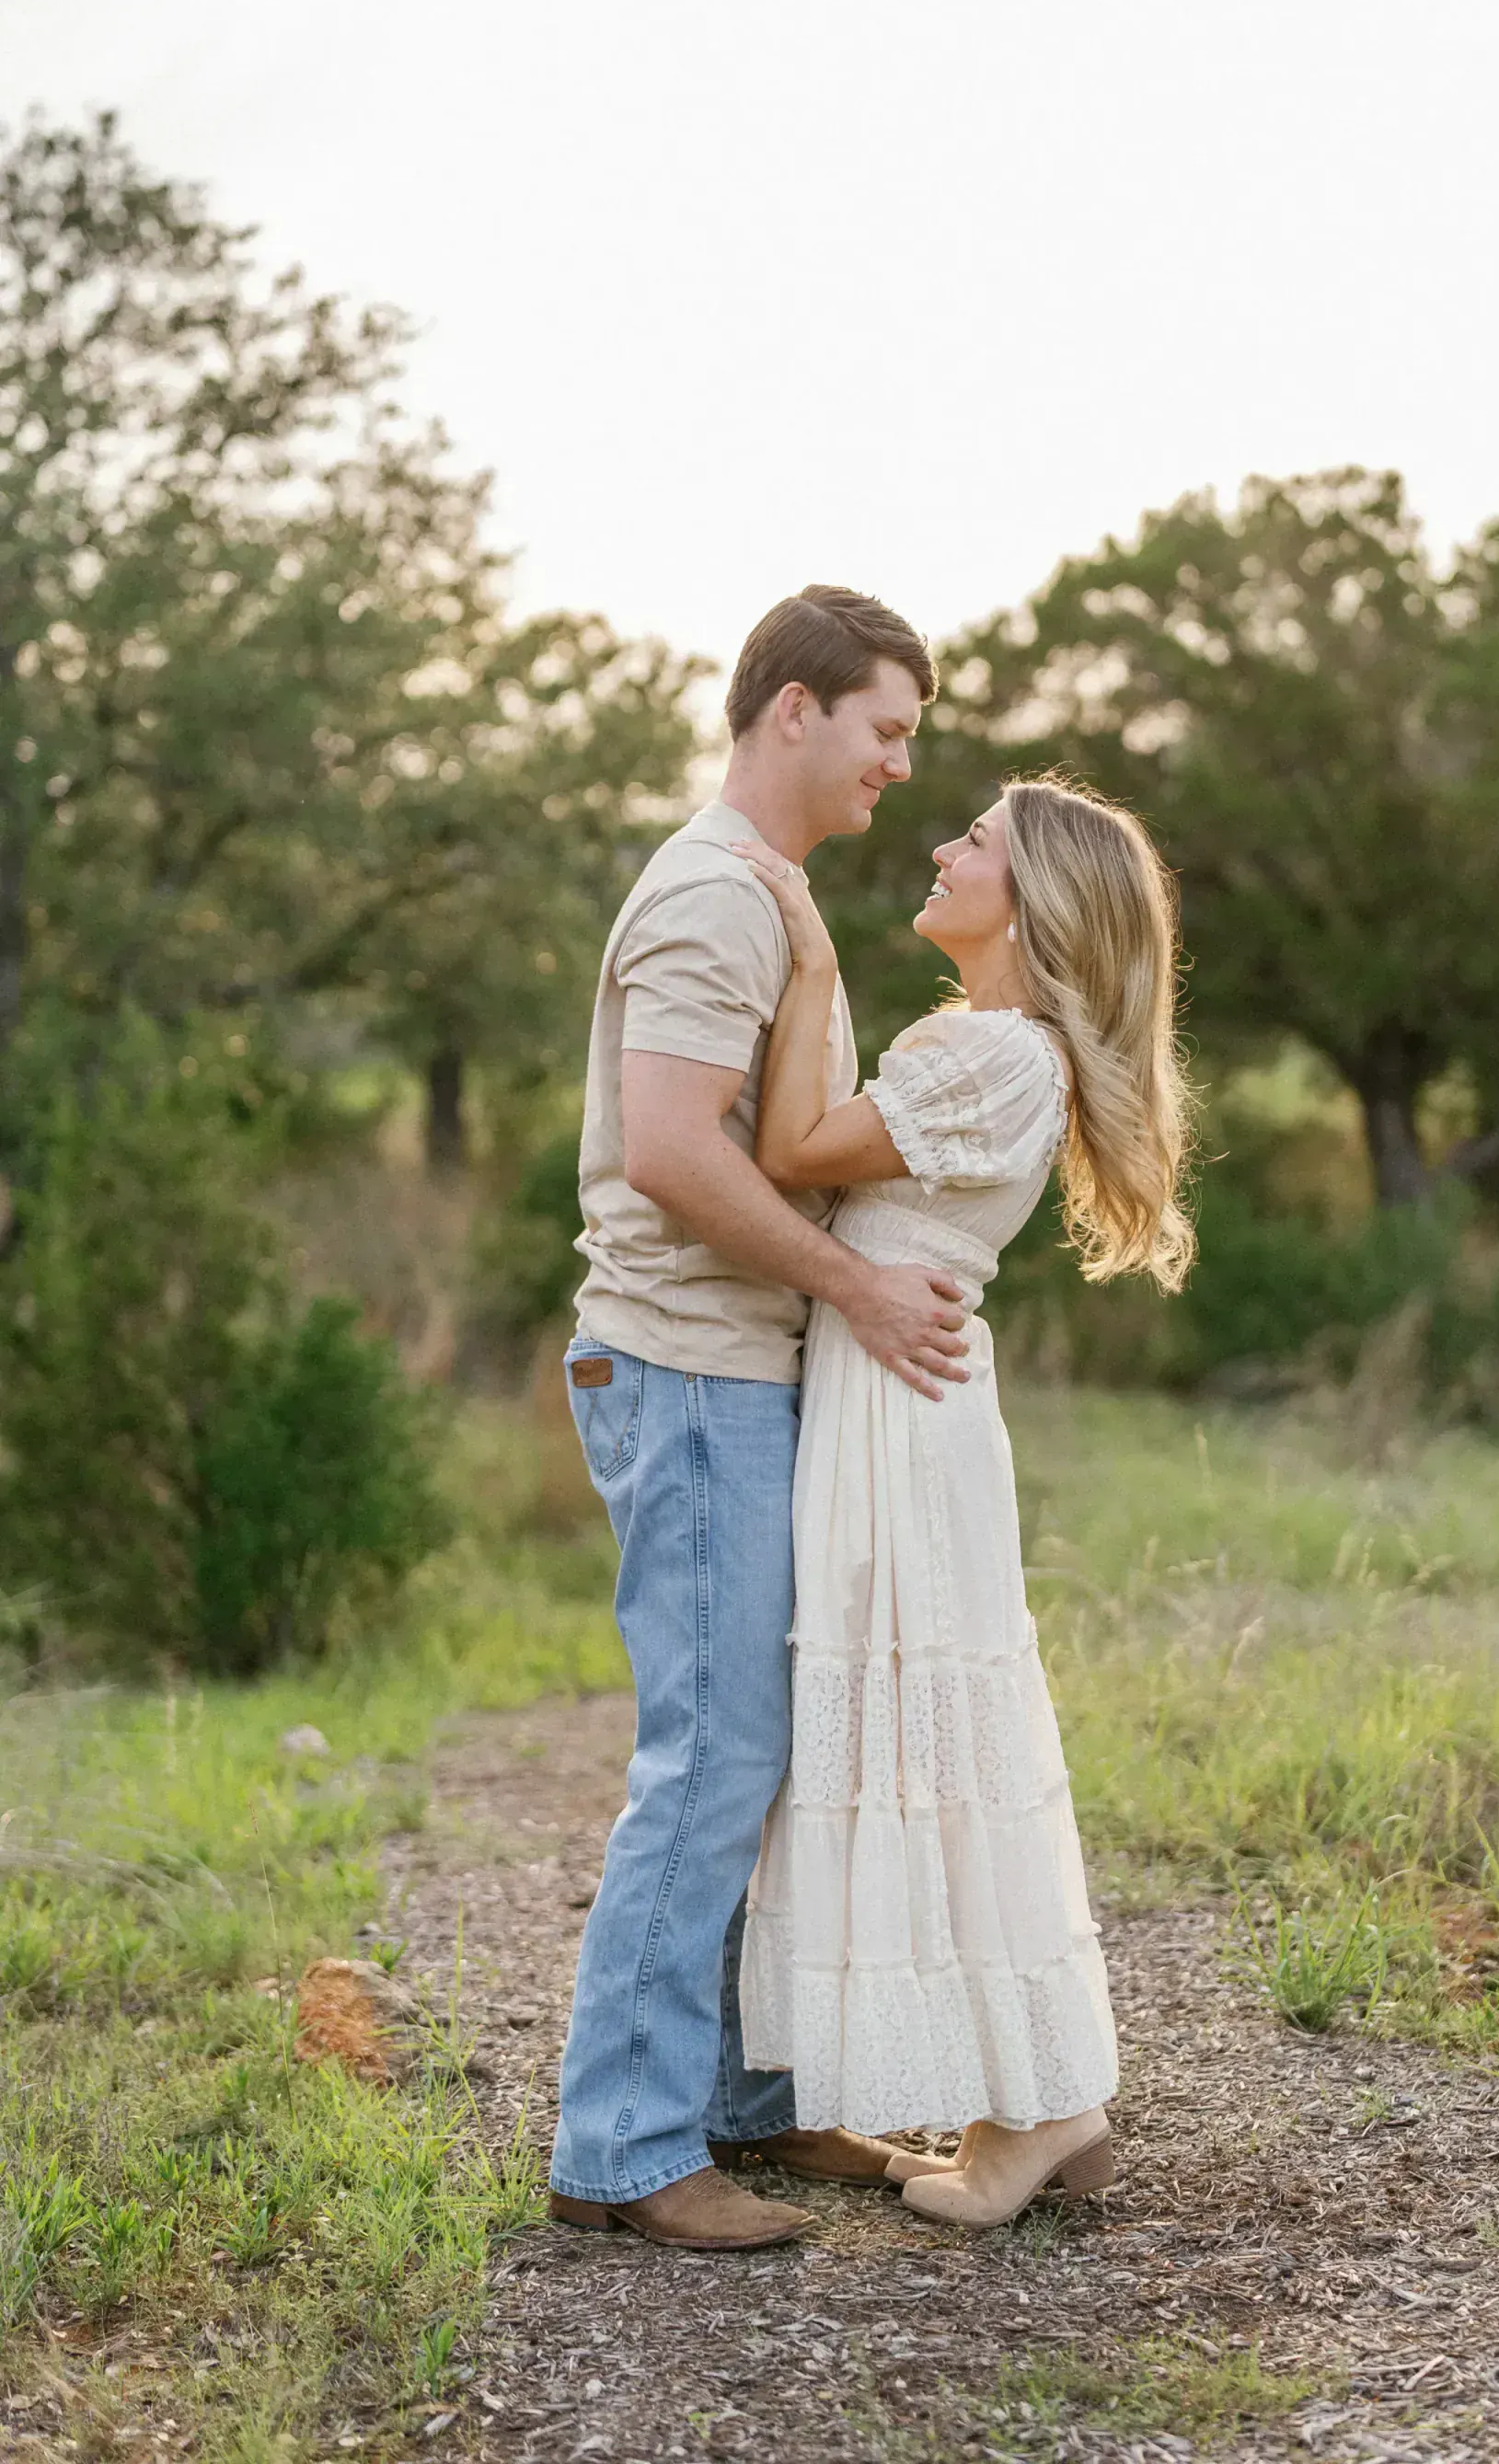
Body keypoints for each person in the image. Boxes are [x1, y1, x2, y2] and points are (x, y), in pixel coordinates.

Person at [547, 585, 972, 2253]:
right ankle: (627, 2153)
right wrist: (858, 1291)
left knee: (754, 1745)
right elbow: (668, 1149)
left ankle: (739, 2105)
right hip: (688, 1367)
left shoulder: (768, 894)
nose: (899, 767)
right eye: (887, 730)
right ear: (792, 708)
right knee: (711, 1753)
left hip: (733, 1372)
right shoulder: (716, 899)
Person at [734, 775, 1194, 2230]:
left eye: (976, 841)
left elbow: (792, 1154)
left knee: (936, 1748)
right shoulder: (994, 1048)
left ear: (1036, 899)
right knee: (931, 1745)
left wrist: (808, 963)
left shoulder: (998, 1052)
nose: (942, 847)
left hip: (901, 1415)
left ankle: (1042, 2109)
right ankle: (1034, 2098)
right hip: (896, 1396)